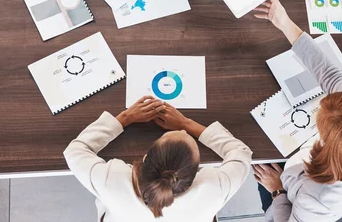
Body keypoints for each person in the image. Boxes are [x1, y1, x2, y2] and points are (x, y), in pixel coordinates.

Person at [252, 0, 342, 222]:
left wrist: (277, 191)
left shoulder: (316, 200)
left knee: (263, 164)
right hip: (337, 193)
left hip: (296, 205)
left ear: (325, 144)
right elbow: (330, 75)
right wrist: (284, 22)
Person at [64, 95, 252, 222]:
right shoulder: (214, 188)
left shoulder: (112, 179)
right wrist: (188, 123)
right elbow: (240, 152)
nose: (180, 130)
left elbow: (75, 151)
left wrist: (125, 117)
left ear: (146, 157)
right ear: (195, 173)